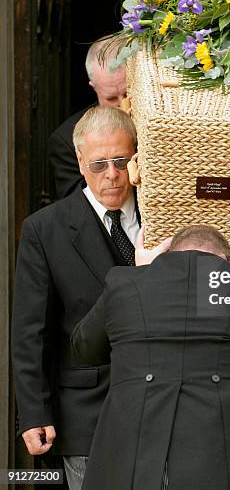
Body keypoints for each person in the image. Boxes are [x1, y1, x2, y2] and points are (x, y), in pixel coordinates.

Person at [70, 225, 230, 490]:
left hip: (137, 460)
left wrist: (142, 274)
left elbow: (84, 349)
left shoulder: (123, 283)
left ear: (168, 254)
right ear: (229, 261)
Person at [12, 106, 139, 490]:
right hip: (85, 408)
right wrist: (33, 413)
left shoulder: (163, 215)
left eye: (121, 161)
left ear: (137, 157)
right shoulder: (45, 229)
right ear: (80, 162)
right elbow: (31, 330)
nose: (112, 175)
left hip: (162, 402)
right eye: (99, 164)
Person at [48, 37, 127, 199]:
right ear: (94, 87)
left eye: (128, 93)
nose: (122, 104)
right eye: (111, 99)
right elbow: (77, 206)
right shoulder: (66, 140)